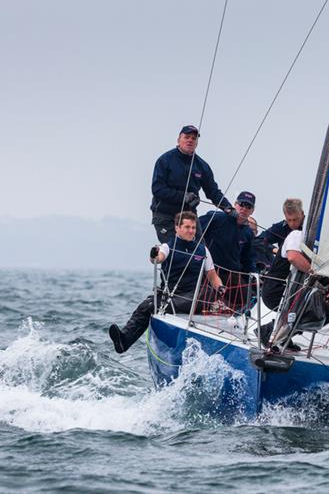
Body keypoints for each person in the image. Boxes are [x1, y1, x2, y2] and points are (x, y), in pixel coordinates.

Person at [108, 211, 224, 354]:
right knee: (148, 305)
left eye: (193, 227)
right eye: (187, 227)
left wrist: (220, 287)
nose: (191, 231)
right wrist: (154, 255)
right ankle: (123, 341)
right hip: (171, 295)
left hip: (193, 296)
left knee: (208, 293)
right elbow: (158, 259)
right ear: (177, 228)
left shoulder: (203, 250)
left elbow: (212, 276)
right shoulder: (167, 247)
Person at [150, 124, 233, 243]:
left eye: (194, 138)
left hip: (189, 216)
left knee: (200, 252)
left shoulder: (202, 166)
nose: (190, 140)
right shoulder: (165, 160)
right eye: (187, 137)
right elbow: (157, 189)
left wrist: (229, 208)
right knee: (175, 251)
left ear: (197, 143)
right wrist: (184, 197)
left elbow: (213, 192)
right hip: (165, 215)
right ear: (179, 140)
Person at [198, 191, 258, 309]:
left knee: (248, 297)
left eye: (248, 206)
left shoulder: (248, 233)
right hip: (209, 270)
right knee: (204, 296)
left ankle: (233, 314)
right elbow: (195, 229)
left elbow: (247, 260)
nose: (244, 209)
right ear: (235, 205)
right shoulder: (217, 218)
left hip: (231, 274)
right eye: (242, 204)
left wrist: (256, 277)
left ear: (252, 211)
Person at [254, 198, 305, 271]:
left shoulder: (311, 227)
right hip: (285, 269)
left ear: (302, 213)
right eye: (289, 220)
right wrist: (274, 249)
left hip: (307, 267)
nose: (292, 224)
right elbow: (258, 241)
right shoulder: (280, 227)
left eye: (295, 219)